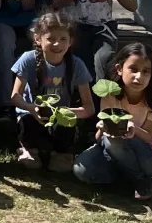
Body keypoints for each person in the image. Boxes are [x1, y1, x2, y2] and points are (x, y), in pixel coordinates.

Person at [74, 42, 152, 201]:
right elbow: (100, 138)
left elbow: (148, 137)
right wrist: (101, 126)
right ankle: (127, 179)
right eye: (133, 69)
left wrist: (131, 126)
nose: (139, 77)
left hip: (149, 156)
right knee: (81, 170)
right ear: (120, 69)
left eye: (146, 71)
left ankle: (141, 180)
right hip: (113, 148)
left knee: (116, 135)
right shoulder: (110, 93)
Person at [11, 11, 94, 172]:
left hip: (60, 117)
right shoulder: (28, 59)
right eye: (51, 39)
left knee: (66, 128)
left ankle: (61, 154)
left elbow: (89, 108)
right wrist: (31, 108)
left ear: (70, 41)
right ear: (38, 39)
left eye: (63, 39)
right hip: (33, 115)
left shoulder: (76, 65)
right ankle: (30, 150)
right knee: (28, 124)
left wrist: (68, 112)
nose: (57, 44)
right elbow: (15, 96)